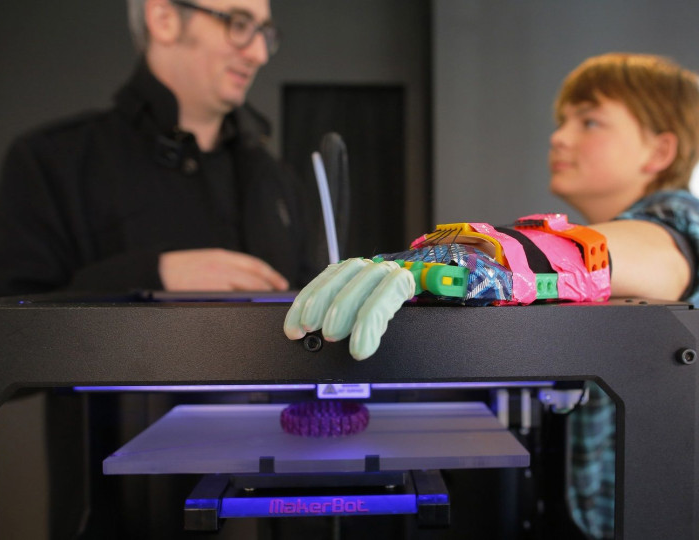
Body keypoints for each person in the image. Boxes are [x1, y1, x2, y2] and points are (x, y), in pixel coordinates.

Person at [285, 52, 699, 539]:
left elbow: (660, 253)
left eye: (589, 121)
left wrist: (473, 262)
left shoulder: (678, 217)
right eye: (561, 121)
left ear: (659, 152)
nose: (559, 137)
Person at [0, 0, 321, 299]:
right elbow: (2, 335)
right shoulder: (50, 164)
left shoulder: (278, 180)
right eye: (239, 24)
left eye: (265, 33)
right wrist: (151, 277)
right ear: (164, 20)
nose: (259, 53)